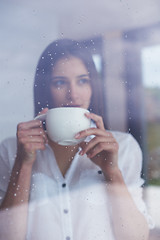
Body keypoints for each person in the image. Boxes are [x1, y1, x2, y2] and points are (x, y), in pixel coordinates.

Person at [0, 39, 153, 240]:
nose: (73, 94)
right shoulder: (12, 149)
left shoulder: (123, 147)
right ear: (45, 90)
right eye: (60, 82)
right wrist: (23, 164)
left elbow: (135, 237)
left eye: (82, 81)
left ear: (92, 87)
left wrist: (112, 172)